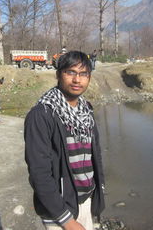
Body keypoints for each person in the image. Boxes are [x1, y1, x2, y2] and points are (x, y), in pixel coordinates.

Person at [24, 51, 105, 230]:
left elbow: (95, 155)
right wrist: (66, 220)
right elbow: (39, 173)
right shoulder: (43, 114)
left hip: (86, 200)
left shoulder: (86, 110)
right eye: (70, 72)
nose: (77, 80)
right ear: (58, 75)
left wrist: (98, 195)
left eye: (83, 74)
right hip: (60, 208)